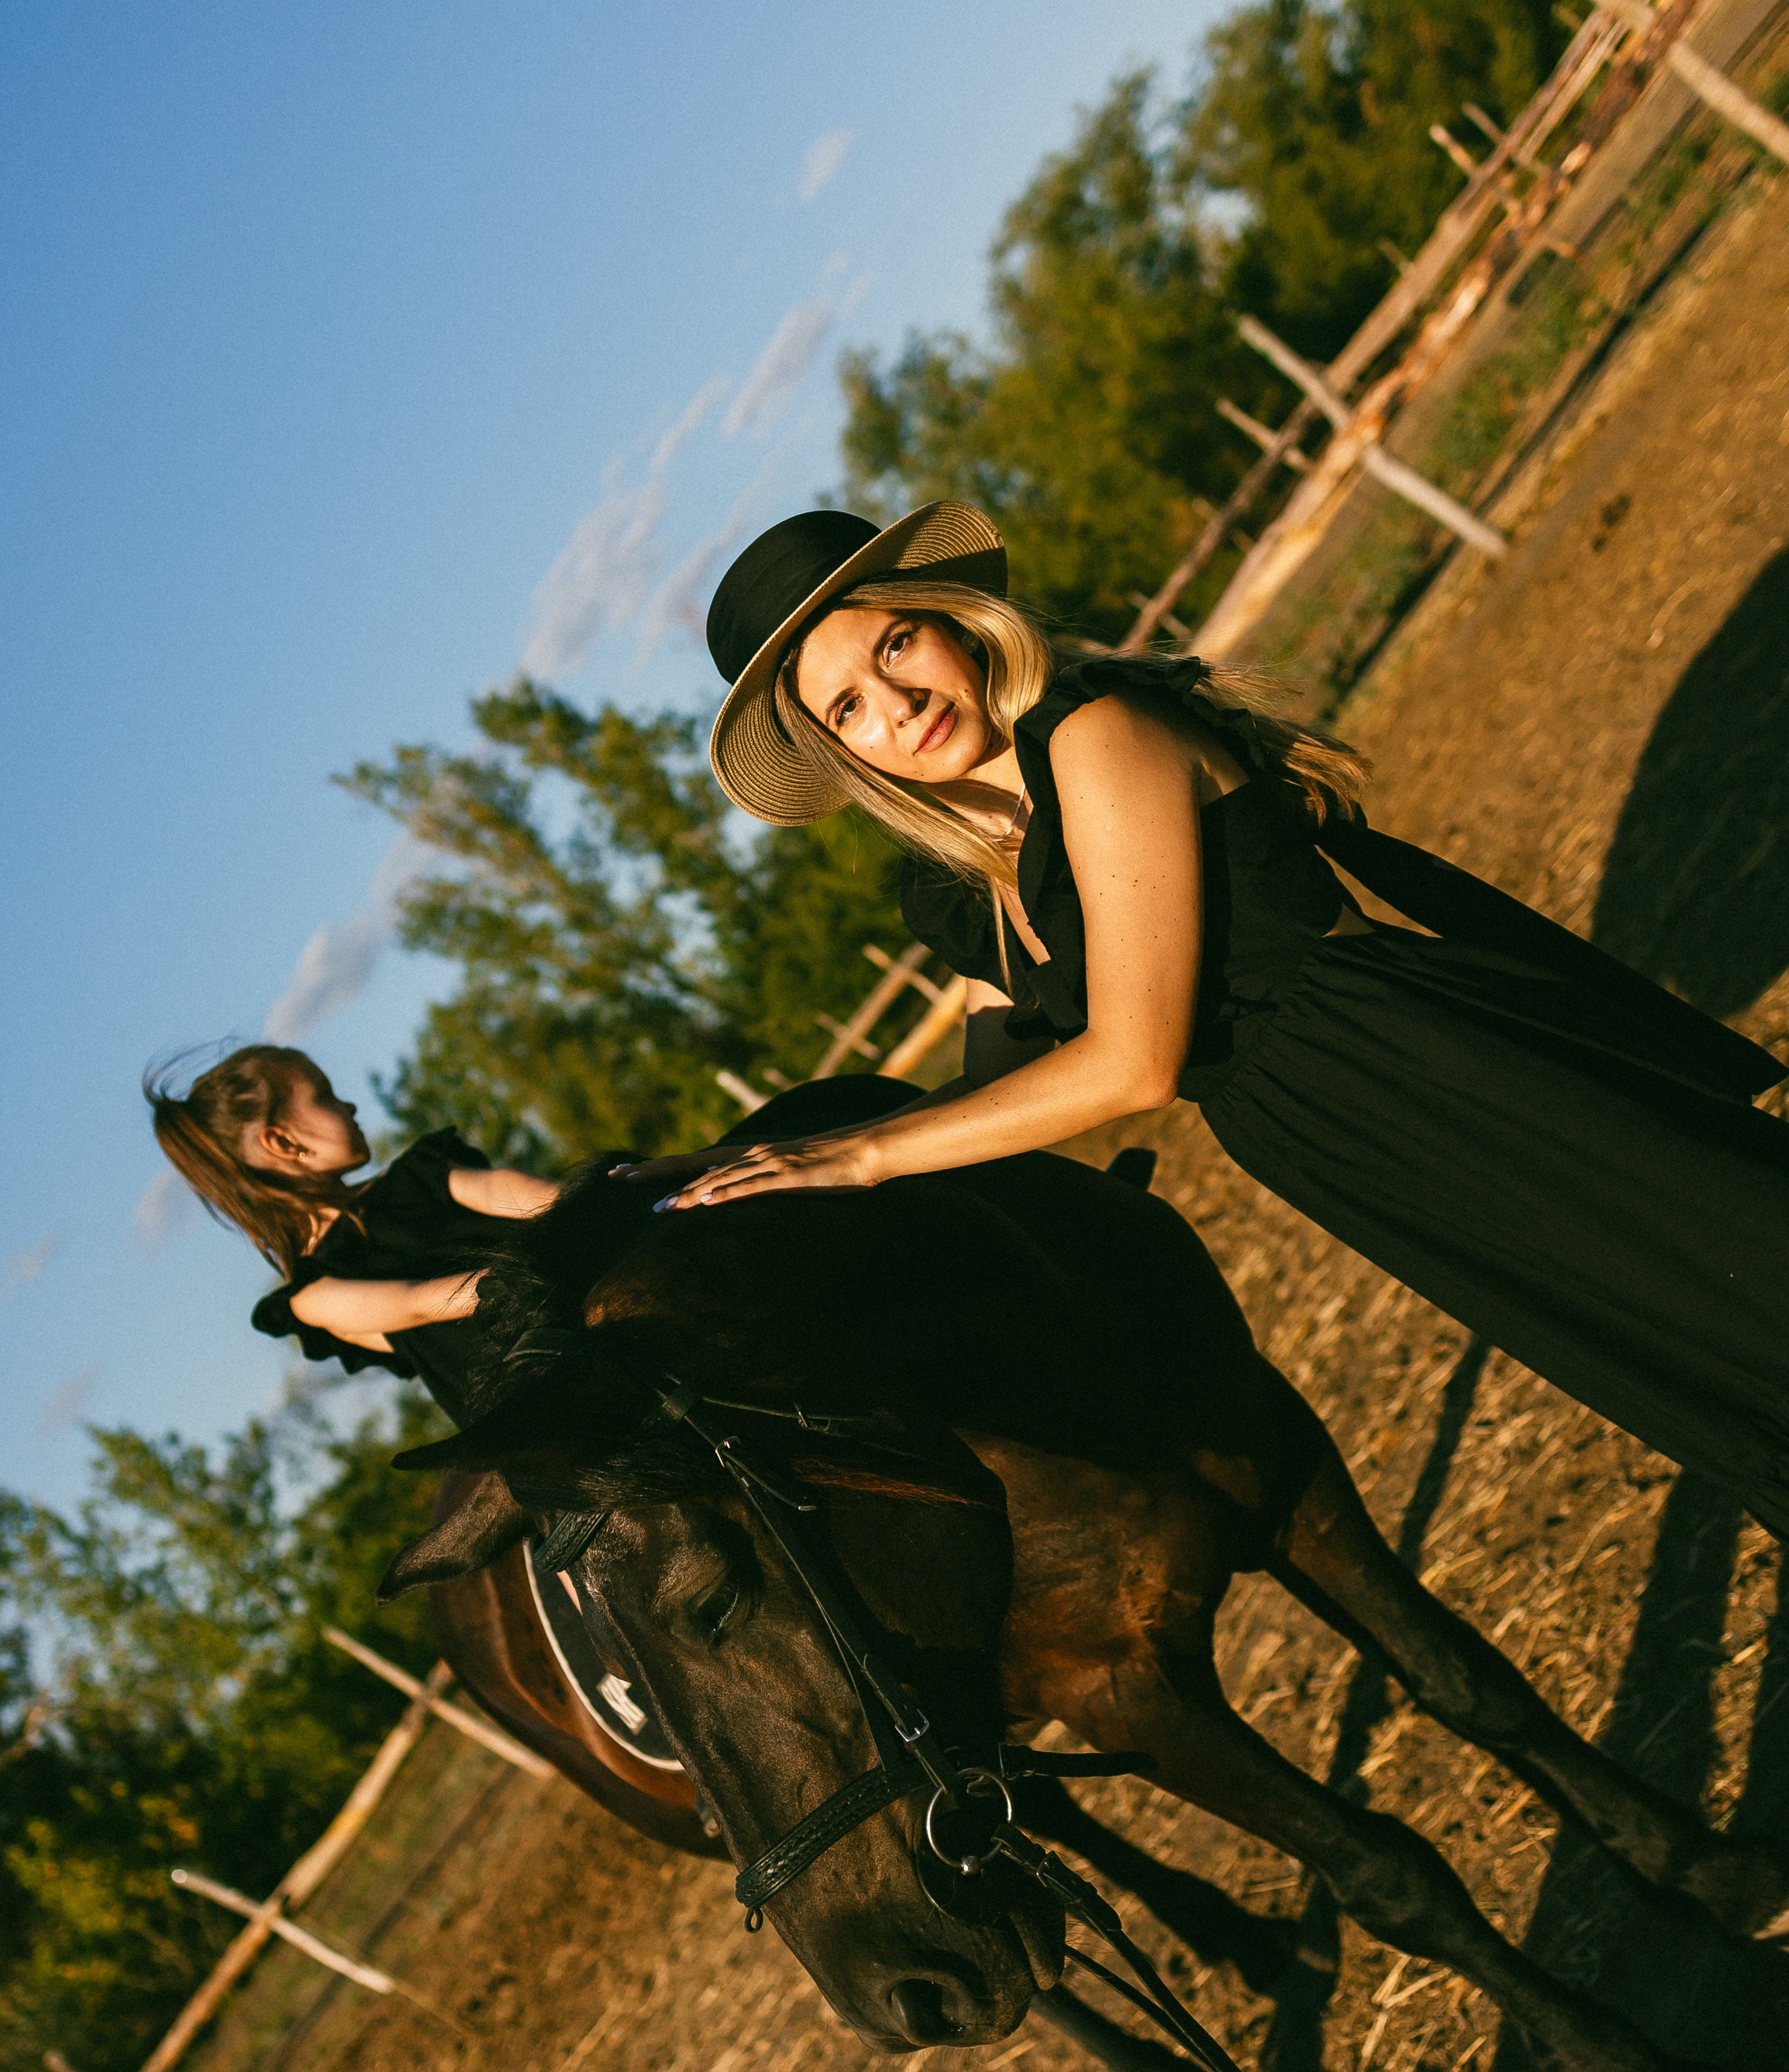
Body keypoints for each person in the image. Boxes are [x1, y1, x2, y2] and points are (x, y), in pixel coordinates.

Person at [634, 500, 1789, 1538]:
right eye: (850, 704)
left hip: (1425, 1062)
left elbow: (1134, 1061)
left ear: (956, 621)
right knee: (1652, 1353)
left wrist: (864, 1156)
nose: (898, 703)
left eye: (896, 644)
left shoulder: (1098, 733)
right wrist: (681, 1186)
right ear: (842, 750)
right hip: (1325, 1144)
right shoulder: (957, 888)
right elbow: (989, 1095)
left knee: (1726, 1269)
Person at [147, 1044, 562, 1427]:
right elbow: (418, 1301)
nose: (350, 1105)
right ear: (284, 1141)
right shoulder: (317, 1295)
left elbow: (502, 1190)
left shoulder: (419, 1175)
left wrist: (586, 1193)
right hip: (537, 1408)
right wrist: (525, 1274)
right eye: (325, 1096)